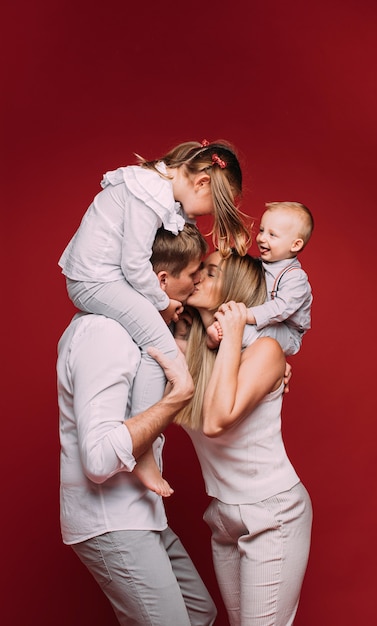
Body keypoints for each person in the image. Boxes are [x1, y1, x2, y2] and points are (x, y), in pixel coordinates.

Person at [58, 139, 251, 476]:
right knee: (162, 350)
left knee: (158, 347)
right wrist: (163, 304)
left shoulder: (155, 188)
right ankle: (142, 449)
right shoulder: (146, 191)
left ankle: (141, 443)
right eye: (206, 207)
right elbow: (135, 265)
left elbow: (170, 243)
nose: (197, 216)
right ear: (202, 182)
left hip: (105, 279)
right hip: (96, 281)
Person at [57, 225, 216, 626]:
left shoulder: (138, 336)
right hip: (111, 516)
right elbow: (97, 458)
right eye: (192, 275)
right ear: (161, 281)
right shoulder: (104, 334)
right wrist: (175, 399)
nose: (196, 283)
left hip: (142, 515)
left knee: (200, 613)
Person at [174, 250, 312, 626]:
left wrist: (234, 331)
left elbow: (217, 420)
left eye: (211, 272)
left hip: (272, 512)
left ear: (235, 291)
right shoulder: (192, 352)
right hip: (222, 515)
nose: (198, 276)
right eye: (200, 268)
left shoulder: (265, 351)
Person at [206, 201, 313, 357]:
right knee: (241, 327)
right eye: (262, 230)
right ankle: (221, 337)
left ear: (295, 245)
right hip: (265, 322)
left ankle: (217, 338)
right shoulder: (262, 264)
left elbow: (281, 308)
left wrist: (246, 315)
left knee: (245, 330)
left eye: (272, 235)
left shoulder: (295, 277)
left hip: (287, 332)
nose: (262, 238)